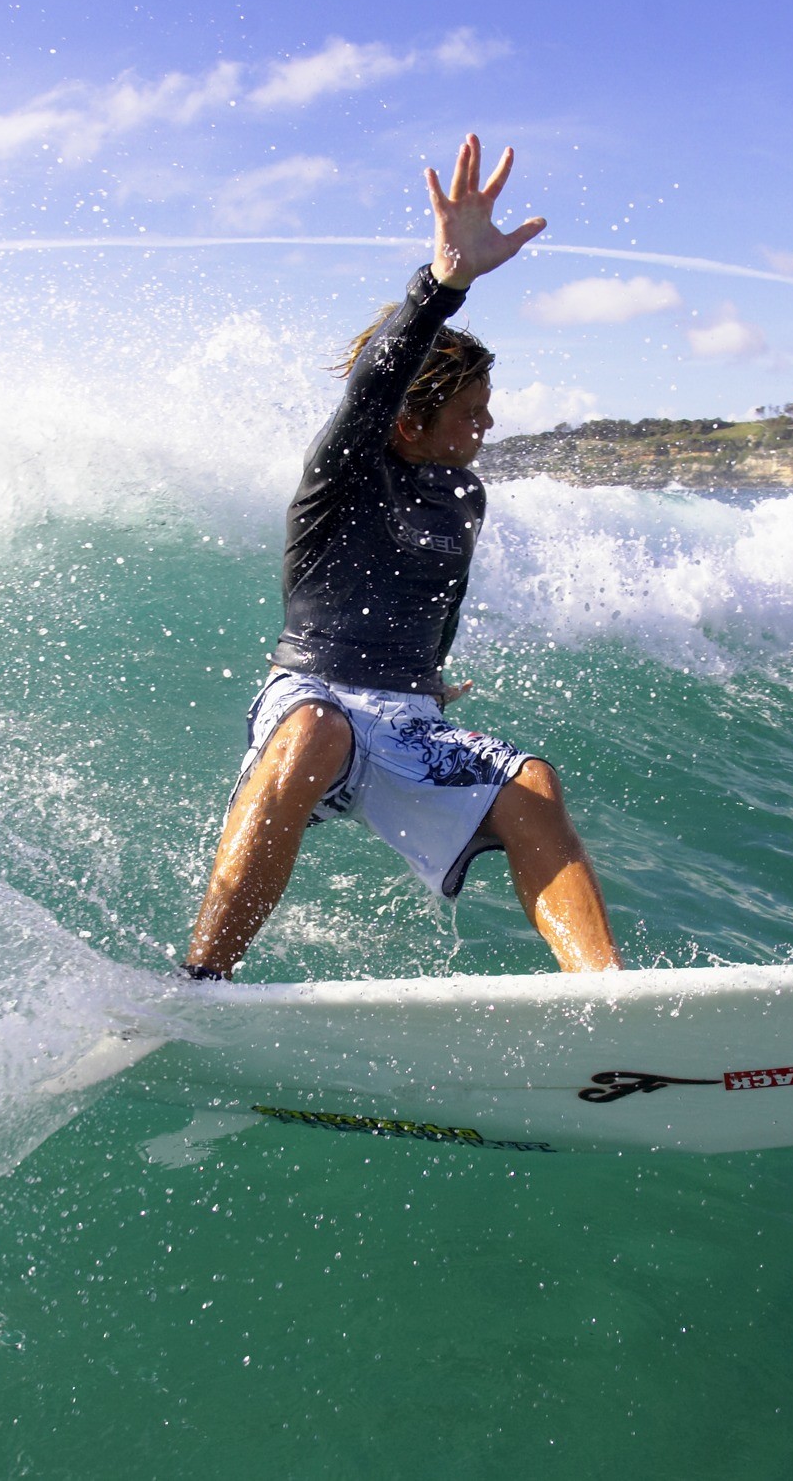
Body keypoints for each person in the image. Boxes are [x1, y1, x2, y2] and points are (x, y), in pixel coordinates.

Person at [182, 134, 622, 979]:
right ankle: (201, 984)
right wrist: (442, 285)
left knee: (532, 785)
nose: (486, 427)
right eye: (470, 411)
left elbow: (435, 602)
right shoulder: (344, 471)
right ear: (409, 420)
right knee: (314, 731)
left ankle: (609, 1001)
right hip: (312, 696)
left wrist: (426, 672)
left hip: (406, 717)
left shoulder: (466, 495)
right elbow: (373, 384)